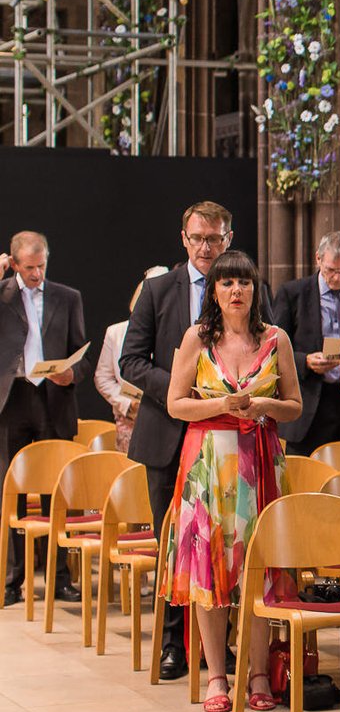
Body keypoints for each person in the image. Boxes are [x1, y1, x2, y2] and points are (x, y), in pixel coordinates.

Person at [162, 250, 302, 712]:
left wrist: (263, 407)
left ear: (255, 289)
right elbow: (176, 404)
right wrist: (222, 406)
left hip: (261, 460)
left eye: (243, 282)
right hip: (210, 464)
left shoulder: (276, 339)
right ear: (214, 292)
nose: (236, 291)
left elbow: (295, 405)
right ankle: (217, 676)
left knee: (259, 571)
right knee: (211, 570)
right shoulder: (197, 339)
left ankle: (259, 673)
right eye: (226, 283)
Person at [122, 200, 240, 680]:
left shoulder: (245, 285)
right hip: (169, 436)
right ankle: (174, 642)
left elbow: (267, 344)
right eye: (197, 238)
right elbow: (130, 362)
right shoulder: (157, 290)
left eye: (214, 238)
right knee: (174, 542)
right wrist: (178, 388)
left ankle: (221, 649)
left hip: (227, 442)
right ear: (183, 239)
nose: (206, 246)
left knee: (223, 547)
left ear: (228, 239)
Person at [0, 231, 89, 608]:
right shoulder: (3, 294)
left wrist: (73, 373)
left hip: (54, 398)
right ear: (15, 263)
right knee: (13, 492)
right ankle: (11, 579)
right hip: (13, 397)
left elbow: (81, 353)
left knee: (57, 492)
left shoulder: (68, 297)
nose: (37, 273)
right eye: (29, 267)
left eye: (42, 265)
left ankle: (60, 578)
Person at [275, 231, 340, 455]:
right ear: (318, 259)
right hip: (311, 402)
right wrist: (305, 361)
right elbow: (274, 348)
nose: (337, 278)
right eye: (330, 270)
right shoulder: (293, 293)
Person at [93, 267, 168, 452]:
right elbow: (103, 377)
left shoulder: (174, 332)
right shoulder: (116, 332)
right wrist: (128, 405)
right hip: (128, 417)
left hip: (166, 418)